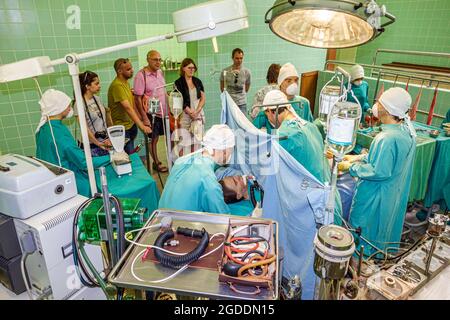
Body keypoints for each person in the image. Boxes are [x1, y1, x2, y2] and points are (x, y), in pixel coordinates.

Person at [339, 87, 417, 256]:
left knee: (365, 232)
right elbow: (387, 161)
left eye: (380, 103)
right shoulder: (406, 130)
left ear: (388, 109)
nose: (376, 105)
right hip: (392, 193)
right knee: (383, 230)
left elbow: (379, 171)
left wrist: (351, 167)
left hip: (375, 196)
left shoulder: (387, 138)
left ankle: (361, 264)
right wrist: (358, 158)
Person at [35, 89, 112, 197]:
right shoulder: (58, 133)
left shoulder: (44, 128)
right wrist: (111, 158)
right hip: (70, 183)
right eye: (67, 105)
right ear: (59, 108)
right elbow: (83, 162)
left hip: (51, 179)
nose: (70, 107)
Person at [158, 124, 235, 214]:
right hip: (176, 224)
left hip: (160, 217)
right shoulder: (208, 179)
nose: (230, 154)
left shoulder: (183, 160)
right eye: (231, 151)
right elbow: (223, 216)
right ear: (224, 151)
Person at [263, 90, 329, 183]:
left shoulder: (283, 135)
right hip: (330, 191)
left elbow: (269, 167)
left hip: (311, 194)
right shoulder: (311, 126)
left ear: (270, 111)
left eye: (267, 115)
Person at [133, 50, 168, 172]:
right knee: (153, 139)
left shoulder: (160, 72)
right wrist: (144, 118)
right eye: (155, 59)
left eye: (159, 59)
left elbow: (162, 91)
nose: (158, 62)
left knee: (164, 137)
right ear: (148, 60)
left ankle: (169, 160)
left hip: (163, 112)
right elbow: (137, 99)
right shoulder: (141, 76)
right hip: (151, 113)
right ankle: (156, 163)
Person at [108, 58, 151, 154]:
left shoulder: (125, 83)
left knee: (130, 154)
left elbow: (132, 102)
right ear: (119, 71)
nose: (132, 71)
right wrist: (142, 126)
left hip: (130, 125)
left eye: (131, 68)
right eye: (128, 69)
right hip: (122, 129)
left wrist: (142, 118)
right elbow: (127, 108)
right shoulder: (117, 86)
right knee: (129, 156)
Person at [76, 71, 113, 157]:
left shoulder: (97, 98)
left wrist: (110, 137)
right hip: (91, 145)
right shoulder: (79, 104)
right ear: (87, 86)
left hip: (104, 141)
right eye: (96, 84)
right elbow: (84, 128)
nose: (99, 86)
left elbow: (103, 120)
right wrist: (98, 143)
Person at [174, 58, 206, 153]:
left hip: (198, 113)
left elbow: (203, 98)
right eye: (189, 68)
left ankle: (198, 161)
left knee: (198, 140)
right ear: (183, 68)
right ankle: (187, 162)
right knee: (185, 141)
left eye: (193, 68)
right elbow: (178, 101)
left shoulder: (198, 81)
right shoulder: (178, 83)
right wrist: (190, 112)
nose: (192, 70)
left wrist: (197, 111)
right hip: (185, 114)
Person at [220, 48, 251, 115]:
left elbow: (247, 88)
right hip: (229, 103)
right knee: (228, 124)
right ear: (232, 58)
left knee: (242, 123)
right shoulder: (225, 71)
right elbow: (222, 88)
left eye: (241, 58)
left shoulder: (246, 72)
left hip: (242, 104)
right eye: (237, 58)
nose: (239, 60)